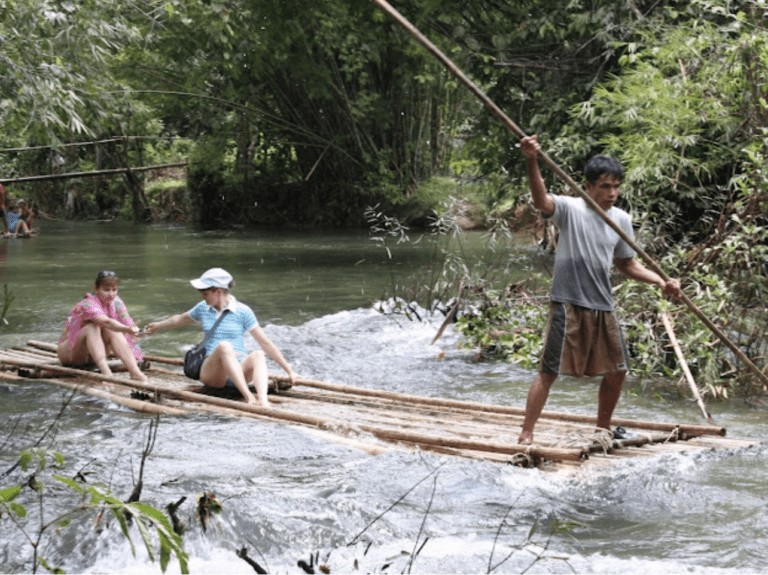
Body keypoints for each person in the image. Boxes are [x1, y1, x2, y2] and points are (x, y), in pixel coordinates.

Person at [517, 135, 681, 445]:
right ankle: (526, 433)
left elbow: (627, 265)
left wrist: (661, 281)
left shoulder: (621, 220)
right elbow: (541, 202)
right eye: (605, 186)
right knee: (549, 371)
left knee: (618, 370)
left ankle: (602, 429)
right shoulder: (570, 208)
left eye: (616, 186)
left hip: (603, 304)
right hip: (567, 303)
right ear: (588, 185)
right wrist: (532, 159)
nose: (613, 193)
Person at [143, 268, 298, 407]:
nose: (203, 297)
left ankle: (263, 400)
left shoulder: (243, 311)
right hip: (213, 372)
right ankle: (249, 397)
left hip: (239, 371)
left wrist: (290, 371)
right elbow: (180, 319)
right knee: (225, 346)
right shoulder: (203, 308)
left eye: (206, 294)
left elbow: (266, 343)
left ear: (218, 292)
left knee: (258, 354)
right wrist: (158, 326)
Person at [57, 271, 147, 382]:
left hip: (94, 354)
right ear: (96, 289)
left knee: (113, 331)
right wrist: (127, 329)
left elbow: (129, 322)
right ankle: (106, 372)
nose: (111, 294)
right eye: (106, 290)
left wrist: (140, 331)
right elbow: (107, 322)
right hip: (71, 353)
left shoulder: (117, 302)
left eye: (114, 290)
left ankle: (135, 372)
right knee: (92, 328)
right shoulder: (88, 304)